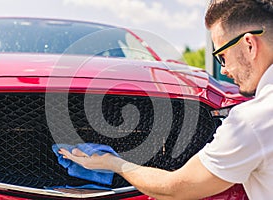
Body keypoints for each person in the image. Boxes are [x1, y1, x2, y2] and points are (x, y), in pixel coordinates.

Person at [58, 0, 273, 199]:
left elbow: (177, 188)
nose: (223, 70)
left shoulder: (252, 120)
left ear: (250, 45)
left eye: (222, 57)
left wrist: (111, 162)